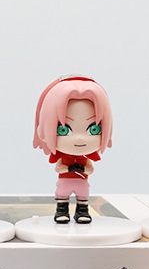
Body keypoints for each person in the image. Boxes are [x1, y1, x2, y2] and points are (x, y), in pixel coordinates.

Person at [33, 75, 113, 223]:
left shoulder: (86, 158)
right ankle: (61, 211)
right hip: (65, 181)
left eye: (94, 129)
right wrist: (70, 169)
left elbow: (90, 168)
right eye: (63, 130)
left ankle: (82, 212)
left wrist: (84, 169)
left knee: (83, 197)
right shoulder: (63, 157)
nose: (79, 139)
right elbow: (59, 167)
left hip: (82, 181)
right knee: (62, 196)